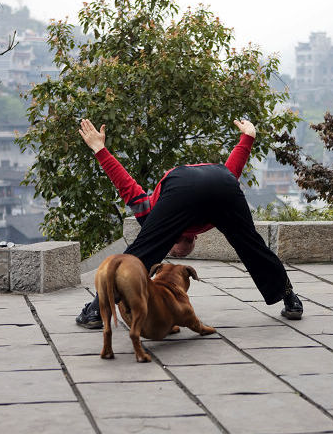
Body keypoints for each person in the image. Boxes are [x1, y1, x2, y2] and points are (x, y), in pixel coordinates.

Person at [75, 118, 303, 328]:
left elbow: (126, 184)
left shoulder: (161, 217)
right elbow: (229, 174)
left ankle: (96, 311)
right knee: (252, 245)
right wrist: (247, 137)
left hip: (187, 185)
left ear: (178, 238)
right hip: (220, 180)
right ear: (194, 236)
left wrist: (100, 149)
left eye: (170, 251)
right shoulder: (204, 218)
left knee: (138, 256)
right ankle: (290, 297)